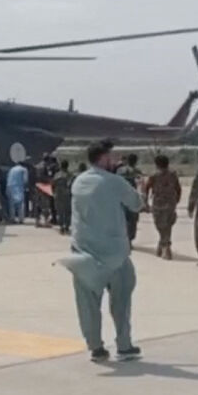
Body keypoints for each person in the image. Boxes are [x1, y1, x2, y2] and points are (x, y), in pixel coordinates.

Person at [61, 139, 143, 362]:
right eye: (113, 157)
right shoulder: (114, 182)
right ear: (104, 158)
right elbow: (136, 204)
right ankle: (124, 345)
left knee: (87, 304)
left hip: (83, 252)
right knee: (121, 300)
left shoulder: (77, 182)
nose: (115, 160)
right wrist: (140, 187)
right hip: (114, 253)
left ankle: (96, 347)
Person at [143, 154, 181, 259]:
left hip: (158, 204)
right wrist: (176, 200)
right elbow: (178, 188)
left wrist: (145, 202)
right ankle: (163, 244)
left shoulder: (154, 175)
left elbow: (146, 188)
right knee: (167, 225)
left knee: (160, 225)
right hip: (170, 203)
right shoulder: (173, 174)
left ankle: (166, 247)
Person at [116, 153, 143, 242]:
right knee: (133, 220)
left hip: (121, 198)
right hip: (132, 198)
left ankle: (124, 237)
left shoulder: (120, 170)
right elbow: (141, 186)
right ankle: (129, 239)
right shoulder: (137, 172)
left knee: (122, 219)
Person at [52, 160, 75, 234]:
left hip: (58, 195)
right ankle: (67, 226)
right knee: (68, 212)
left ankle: (61, 226)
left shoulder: (56, 175)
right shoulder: (70, 175)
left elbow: (53, 185)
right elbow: (71, 185)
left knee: (60, 212)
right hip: (67, 195)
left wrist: (54, 193)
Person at [6, 160, 29, 224]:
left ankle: (12, 218)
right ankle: (21, 219)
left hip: (10, 187)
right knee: (20, 204)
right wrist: (26, 187)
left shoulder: (11, 169)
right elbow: (25, 180)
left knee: (11, 204)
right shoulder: (24, 169)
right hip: (19, 187)